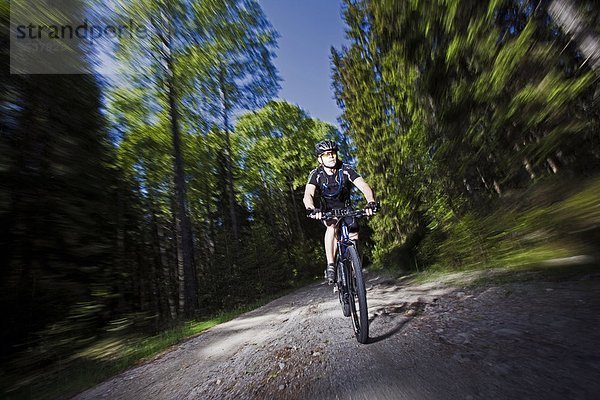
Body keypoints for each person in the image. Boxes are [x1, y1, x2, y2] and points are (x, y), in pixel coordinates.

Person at [303, 140, 377, 284]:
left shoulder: (346, 169)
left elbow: (363, 185)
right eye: (326, 154)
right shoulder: (316, 174)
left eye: (333, 153)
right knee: (332, 227)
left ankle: (357, 273)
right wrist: (311, 208)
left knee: (354, 234)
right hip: (328, 211)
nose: (331, 157)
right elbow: (308, 194)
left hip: (346, 209)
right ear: (320, 159)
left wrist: (371, 202)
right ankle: (331, 265)